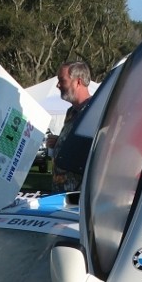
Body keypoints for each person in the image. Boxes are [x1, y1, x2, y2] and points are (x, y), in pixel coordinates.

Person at [51, 60, 93, 193]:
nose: (58, 85)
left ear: (78, 82)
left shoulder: (94, 112)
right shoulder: (71, 112)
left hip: (77, 197)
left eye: (62, 80)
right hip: (61, 193)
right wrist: (58, 142)